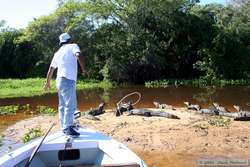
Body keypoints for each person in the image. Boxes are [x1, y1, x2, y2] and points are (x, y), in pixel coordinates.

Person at [43, 32, 86, 136]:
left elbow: (51, 68)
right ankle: (68, 127)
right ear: (70, 40)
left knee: (62, 105)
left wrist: (47, 82)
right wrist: (84, 69)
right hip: (68, 79)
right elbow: (78, 54)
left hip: (59, 80)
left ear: (61, 42)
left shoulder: (58, 52)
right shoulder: (73, 46)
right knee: (70, 104)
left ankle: (64, 127)